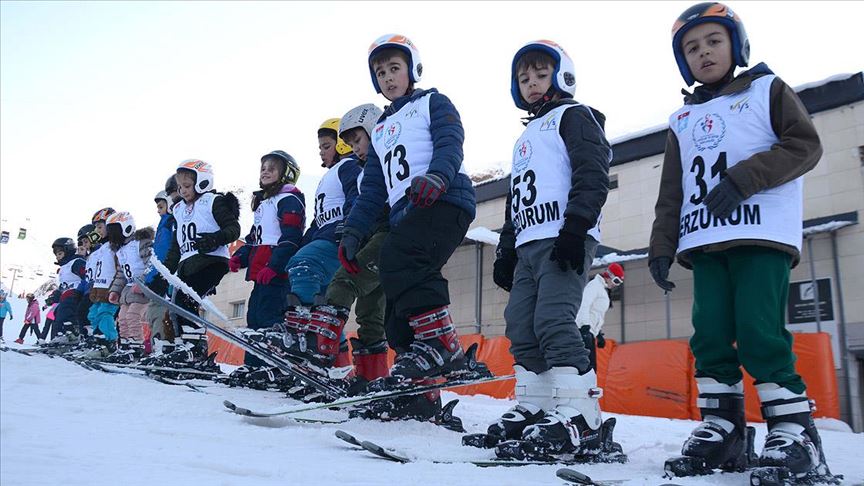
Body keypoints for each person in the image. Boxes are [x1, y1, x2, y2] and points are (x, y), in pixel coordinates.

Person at [649, 3, 833, 482]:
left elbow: (804, 144)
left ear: (737, 44)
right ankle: (723, 427)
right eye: (692, 47)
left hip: (760, 233)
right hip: (706, 241)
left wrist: (745, 178)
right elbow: (674, 190)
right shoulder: (682, 119)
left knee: (758, 330)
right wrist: (661, 245)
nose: (704, 52)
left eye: (713, 40)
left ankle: (793, 429)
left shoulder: (766, 90)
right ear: (681, 60)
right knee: (709, 332)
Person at [337, 34, 483, 421]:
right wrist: (352, 233)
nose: (387, 78)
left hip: (445, 199)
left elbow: (451, 143)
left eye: (394, 69)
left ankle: (443, 344)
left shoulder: (432, 102)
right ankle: (416, 386)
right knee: (392, 274)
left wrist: (437, 176)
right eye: (380, 72)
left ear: (412, 69)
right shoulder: (381, 128)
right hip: (407, 211)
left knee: (405, 256)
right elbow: (372, 190)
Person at [482, 40, 615, 462]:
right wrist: (506, 249)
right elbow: (515, 198)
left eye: (541, 75)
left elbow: (593, 170)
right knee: (520, 325)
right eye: (524, 79)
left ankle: (582, 415)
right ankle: (538, 404)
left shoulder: (575, 116)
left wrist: (576, 227)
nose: (532, 84)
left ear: (561, 76)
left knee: (555, 320)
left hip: (563, 237)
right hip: (528, 243)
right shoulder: (525, 135)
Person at [274, 121, 360, 371]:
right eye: (320, 147)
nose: (321, 151)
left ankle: (306, 335)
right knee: (327, 306)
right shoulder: (327, 177)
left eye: (326, 146)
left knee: (303, 264)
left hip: (339, 238)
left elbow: (357, 194)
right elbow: (318, 220)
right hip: (325, 235)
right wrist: (301, 244)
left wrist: (350, 227)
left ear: (342, 144)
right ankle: (337, 366)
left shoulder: (348, 166)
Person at [146, 159, 240, 369]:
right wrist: (163, 276)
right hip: (187, 265)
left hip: (211, 261)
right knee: (176, 302)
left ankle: (196, 348)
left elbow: (233, 228)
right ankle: (185, 344)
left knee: (185, 301)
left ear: (203, 182)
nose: (183, 191)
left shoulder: (213, 201)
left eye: (187, 186)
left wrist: (215, 238)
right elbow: (175, 248)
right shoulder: (179, 209)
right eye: (180, 187)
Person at [326, 103, 391, 391]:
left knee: (343, 282)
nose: (355, 148)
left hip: (389, 234)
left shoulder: (387, 161)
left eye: (358, 140)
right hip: (371, 237)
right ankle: (371, 376)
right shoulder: (364, 172)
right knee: (370, 312)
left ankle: (319, 353)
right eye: (351, 143)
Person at [228, 150, 304, 377]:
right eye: (263, 168)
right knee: (254, 319)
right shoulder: (264, 203)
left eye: (272, 167)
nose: (266, 171)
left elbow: (292, 237)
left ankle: (274, 366)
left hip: (277, 275)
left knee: (271, 319)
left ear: (287, 173)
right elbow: (255, 238)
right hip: (261, 274)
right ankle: (253, 365)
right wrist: (240, 257)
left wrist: (275, 266)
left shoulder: (289, 198)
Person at [101, 211, 154, 363]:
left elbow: (151, 263)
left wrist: (143, 282)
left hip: (142, 289)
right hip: (128, 289)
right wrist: (115, 290)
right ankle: (125, 346)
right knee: (122, 319)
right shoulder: (120, 249)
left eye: (115, 231)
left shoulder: (141, 243)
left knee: (133, 316)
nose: (113, 235)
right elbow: (121, 273)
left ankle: (137, 347)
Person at [144, 182, 179, 353]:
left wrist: (164, 273)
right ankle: (157, 344)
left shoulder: (172, 222)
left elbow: (170, 250)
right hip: (158, 273)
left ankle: (164, 346)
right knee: (152, 313)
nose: (158, 210)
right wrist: (150, 276)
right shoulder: (163, 224)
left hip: (168, 274)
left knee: (161, 312)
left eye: (161, 206)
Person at [84, 208, 121, 356]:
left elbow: (120, 266)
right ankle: (98, 341)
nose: (97, 231)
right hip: (98, 288)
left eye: (100, 227)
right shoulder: (101, 248)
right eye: (96, 228)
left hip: (110, 288)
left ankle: (109, 343)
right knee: (93, 315)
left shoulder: (115, 246)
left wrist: (117, 287)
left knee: (105, 314)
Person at [575, 263, 624, 370]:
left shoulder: (602, 289)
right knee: (588, 368)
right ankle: (584, 386)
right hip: (583, 332)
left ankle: (589, 385)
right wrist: (584, 327)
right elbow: (584, 304)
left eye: (619, 283)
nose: (616, 285)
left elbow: (596, 314)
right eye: (616, 281)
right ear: (609, 276)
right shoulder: (594, 286)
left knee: (592, 368)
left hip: (590, 332)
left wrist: (598, 335)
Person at [40, 237, 86, 344]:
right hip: (66, 295)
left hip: (75, 294)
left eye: (60, 254)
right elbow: (63, 286)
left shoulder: (76, 262)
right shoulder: (64, 268)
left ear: (68, 251)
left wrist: (82, 290)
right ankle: (63, 335)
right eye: (56, 255)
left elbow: (86, 275)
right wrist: (54, 296)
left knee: (65, 311)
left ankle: (73, 334)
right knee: (57, 312)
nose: (57, 257)